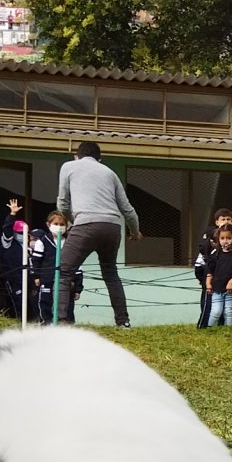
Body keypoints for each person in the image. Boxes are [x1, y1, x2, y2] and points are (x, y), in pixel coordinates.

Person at [55, 140, 141, 327]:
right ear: (99, 159)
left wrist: (72, 221)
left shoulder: (69, 166)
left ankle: (62, 321)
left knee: (64, 271)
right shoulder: (110, 173)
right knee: (110, 274)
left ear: (76, 155)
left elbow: (62, 203)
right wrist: (135, 231)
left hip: (85, 225)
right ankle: (123, 321)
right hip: (112, 227)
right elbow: (127, 208)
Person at [203, 225, 232, 327]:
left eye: (229, 238)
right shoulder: (216, 254)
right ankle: (210, 329)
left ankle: (228, 330)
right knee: (216, 311)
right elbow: (210, 271)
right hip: (217, 288)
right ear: (218, 239)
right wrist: (208, 283)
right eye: (222, 238)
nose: (225, 241)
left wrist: (231, 282)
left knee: (228, 311)